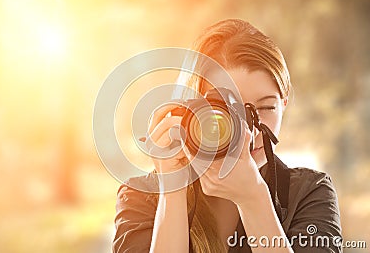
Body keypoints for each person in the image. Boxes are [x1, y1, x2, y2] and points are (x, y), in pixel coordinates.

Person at [112, 19, 342, 252]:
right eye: (227, 110)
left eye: (265, 108)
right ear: (192, 111)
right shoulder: (141, 196)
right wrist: (172, 190)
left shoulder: (309, 192)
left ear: (284, 102)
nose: (248, 133)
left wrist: (254, 199)